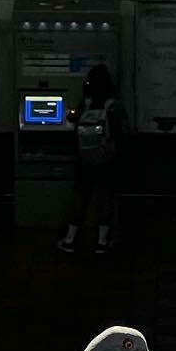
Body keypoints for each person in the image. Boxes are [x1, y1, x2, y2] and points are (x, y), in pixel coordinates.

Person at [57, 63, 127, 255]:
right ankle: (102, 242)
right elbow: (121, 135)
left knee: (81, 198)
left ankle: (70, 240)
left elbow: (74, 124)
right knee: (105, 200)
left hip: (85, 160)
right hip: (107, 161)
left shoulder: (85, 103)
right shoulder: (114, 105)